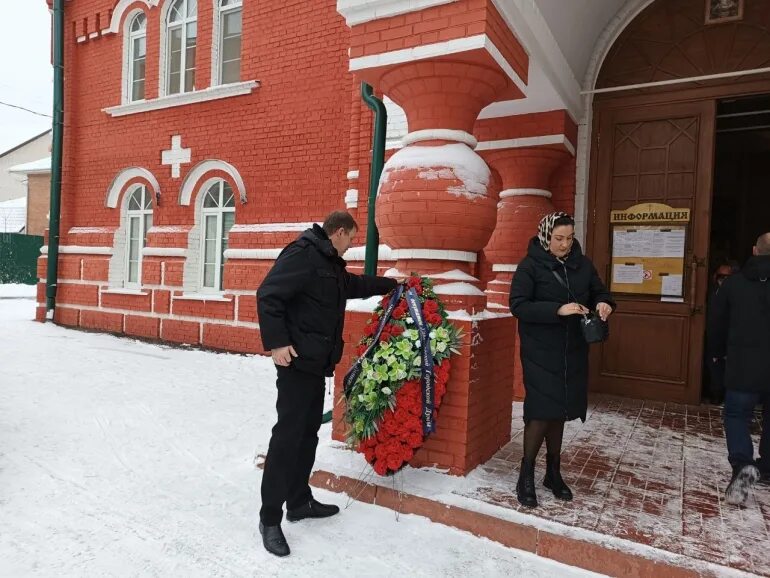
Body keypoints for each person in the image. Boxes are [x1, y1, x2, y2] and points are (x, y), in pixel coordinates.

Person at [256, 211, 397, 556]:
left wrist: (391, 284)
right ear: (337, 232)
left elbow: (353, 286)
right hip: (295, 362)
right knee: (287, 436)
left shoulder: (329, 262)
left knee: (306, 434)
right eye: (350, 237)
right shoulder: (303, 254)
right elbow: (268, 294)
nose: (351, 244)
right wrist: (277, 343)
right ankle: (270, 517)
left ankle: (299, 501)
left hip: (316, 364)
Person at [509, 212, 615, 508]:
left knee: (561, 409)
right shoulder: (530, 266)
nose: (564, 244)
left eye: (569, 238)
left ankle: (553, 473)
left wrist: (604, 303)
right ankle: (526, 473)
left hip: (574, 350)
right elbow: (518, 305)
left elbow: (600, 291)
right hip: (541, 351)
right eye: (558, 239)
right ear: (545, 236)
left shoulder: (583, 264)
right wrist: (559, 309)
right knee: (541, 412)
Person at [709, 232, 770, 505]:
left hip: (743, 365)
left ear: (755, 251)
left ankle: (743, 464)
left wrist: (716, 354)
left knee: (736, 414)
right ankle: (766, 465)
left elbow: (717, 324)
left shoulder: (733, 285)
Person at [704, 259, 740, 404]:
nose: (722, 280)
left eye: (726, 277)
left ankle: (718, 395)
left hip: (727, 339)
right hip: (713, 336)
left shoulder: (735, 296)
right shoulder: (713, 292)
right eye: (720, 276)